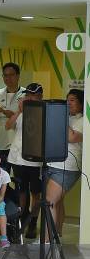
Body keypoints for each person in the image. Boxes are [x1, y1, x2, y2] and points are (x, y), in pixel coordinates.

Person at [5, 83, 43, 239]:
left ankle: (33, 223)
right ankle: (22, 220)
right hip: (17, 158)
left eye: (33, 95)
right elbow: (8, 126)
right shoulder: (21, 111)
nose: (29, 98)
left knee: (35, 193)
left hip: (35, 160)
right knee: (21, 190)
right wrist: (18, 111)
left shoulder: (43, 111)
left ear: (40, 97)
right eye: (28, 95)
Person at [45, 89, 84, 235]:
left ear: (81, 103)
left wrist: (60, 117)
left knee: (50, 201)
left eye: (73, 100)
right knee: (58, 202)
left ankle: (48, 241)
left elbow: (72, 137)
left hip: (68, 167)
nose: (68, 102)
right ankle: (57, 235)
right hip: (54, 163)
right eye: (67, 99)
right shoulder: (68, 118)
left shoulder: (83, 120)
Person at [0, 63, 25, 173]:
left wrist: (7, 112)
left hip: (18, 143)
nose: (8, 78)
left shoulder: (25, 94)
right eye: (5, 75)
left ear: (18, 76)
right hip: (1, 141)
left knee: (19, 178)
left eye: (11, 75)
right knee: (0, 176)